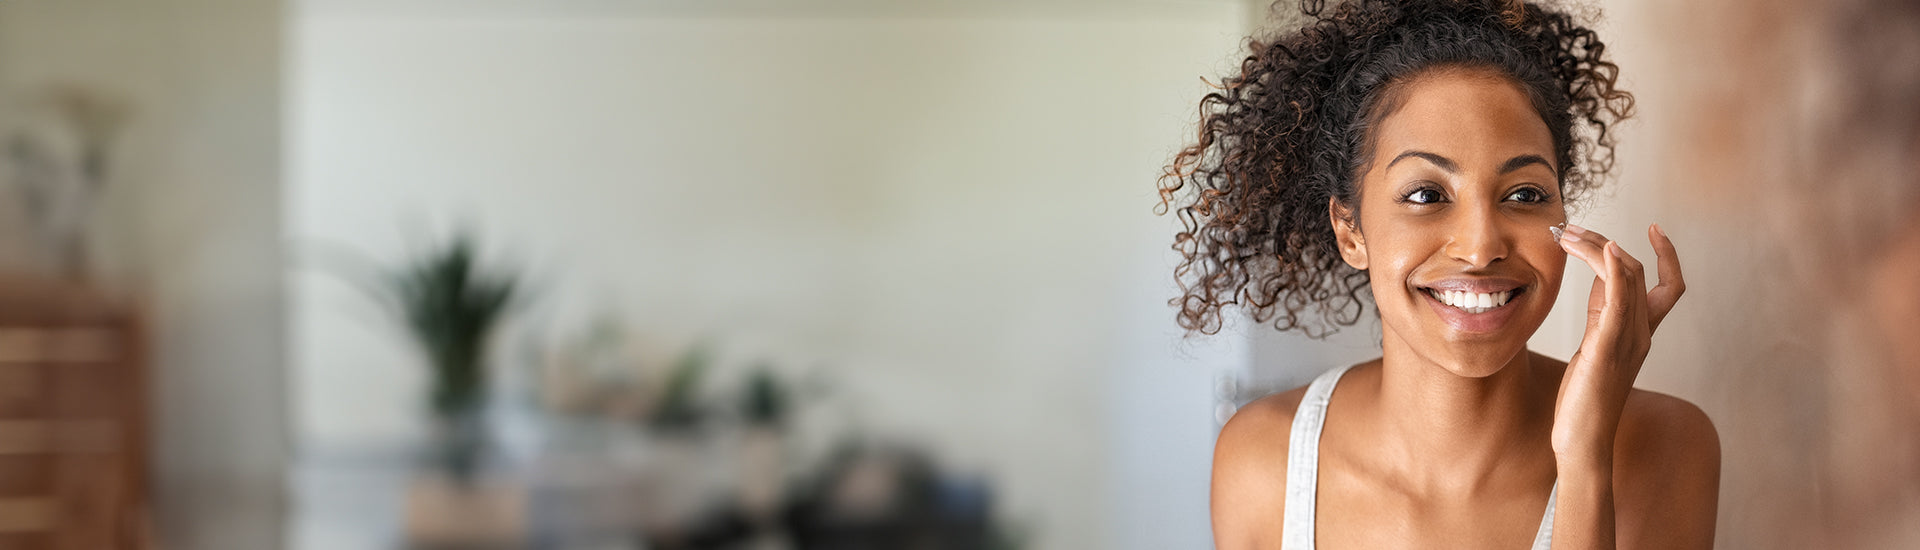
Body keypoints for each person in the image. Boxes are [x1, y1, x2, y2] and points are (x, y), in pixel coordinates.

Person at [1155, 1, 1720, 547]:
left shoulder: (1667, 447)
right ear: (1351, 231)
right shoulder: (1261, 461)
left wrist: (1585, 455)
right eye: (1426, 194)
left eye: (1524, 193)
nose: (1480, 247)